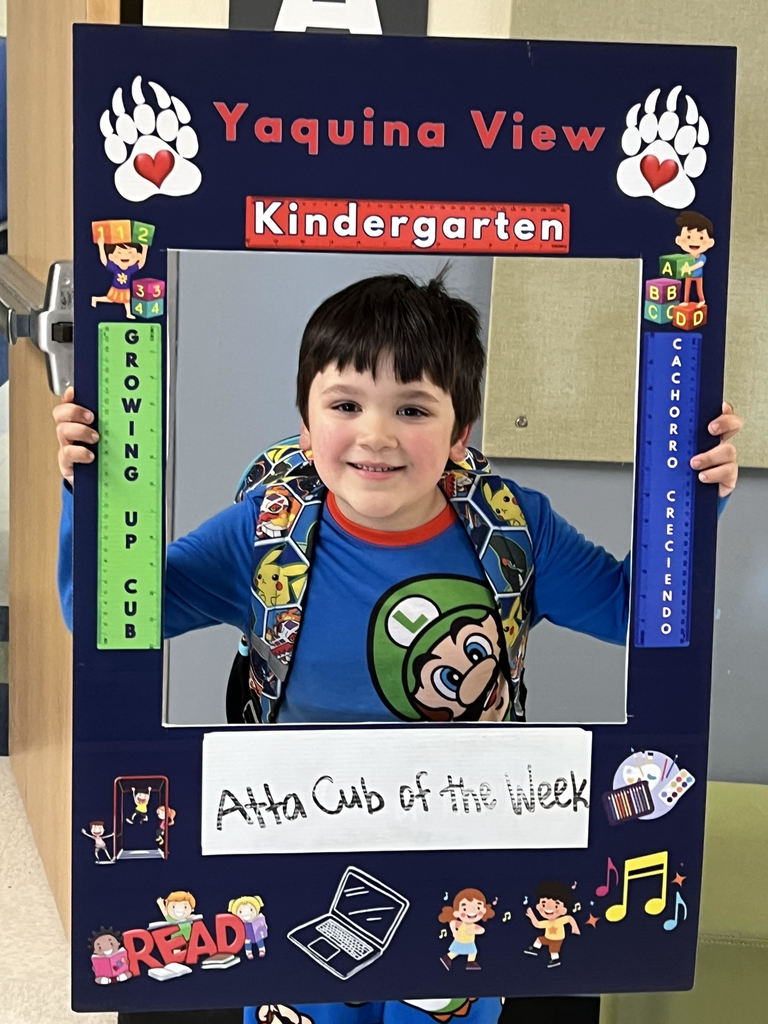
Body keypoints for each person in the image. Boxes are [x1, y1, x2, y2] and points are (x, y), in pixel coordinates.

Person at [55, 273, 742, 1024]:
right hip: (295, 850)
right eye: (346, 405)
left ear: (458, 434)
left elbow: (636, 614)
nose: (376, 434)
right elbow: (108, 614)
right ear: (307, 424)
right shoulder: (265, 531)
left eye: (412, 409)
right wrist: (85, 492)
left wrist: (691, 494)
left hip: (466, 859)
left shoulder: (515, 529)